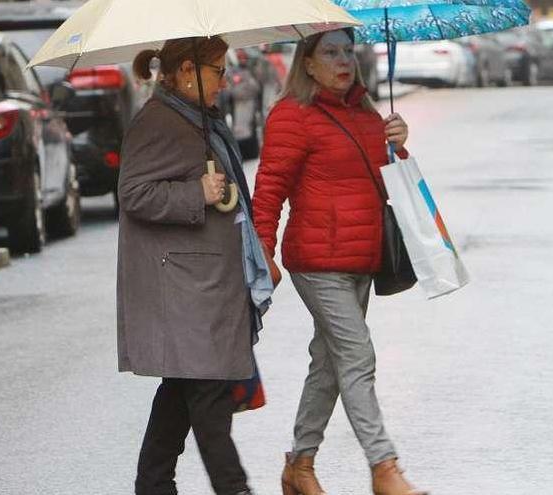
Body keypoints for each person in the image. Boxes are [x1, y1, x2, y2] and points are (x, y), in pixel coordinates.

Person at [252, 28, 426, 495]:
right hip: (317, 260)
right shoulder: (292, 116)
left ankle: (299, 466)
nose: (343, 60)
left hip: (362, 258)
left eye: (348, 51)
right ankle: (384, 467)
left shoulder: (369, 116)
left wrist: (399, 143)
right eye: (330, 52)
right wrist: (261, 252)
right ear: (307, 62)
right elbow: (269, 189)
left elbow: (392, 184)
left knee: (328, 364)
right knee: (356, 353)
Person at [117, 35, 276, 495]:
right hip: (186, 287)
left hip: (204, 282)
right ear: (187, 70)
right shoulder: (159, 121)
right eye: (218, 71)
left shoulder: (196, 118)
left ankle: (153, 485)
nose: (225, 80)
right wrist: (196, 194)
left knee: (183, 393)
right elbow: (133, 193)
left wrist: (256, 250)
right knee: (208, 394)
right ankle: (234, 489)